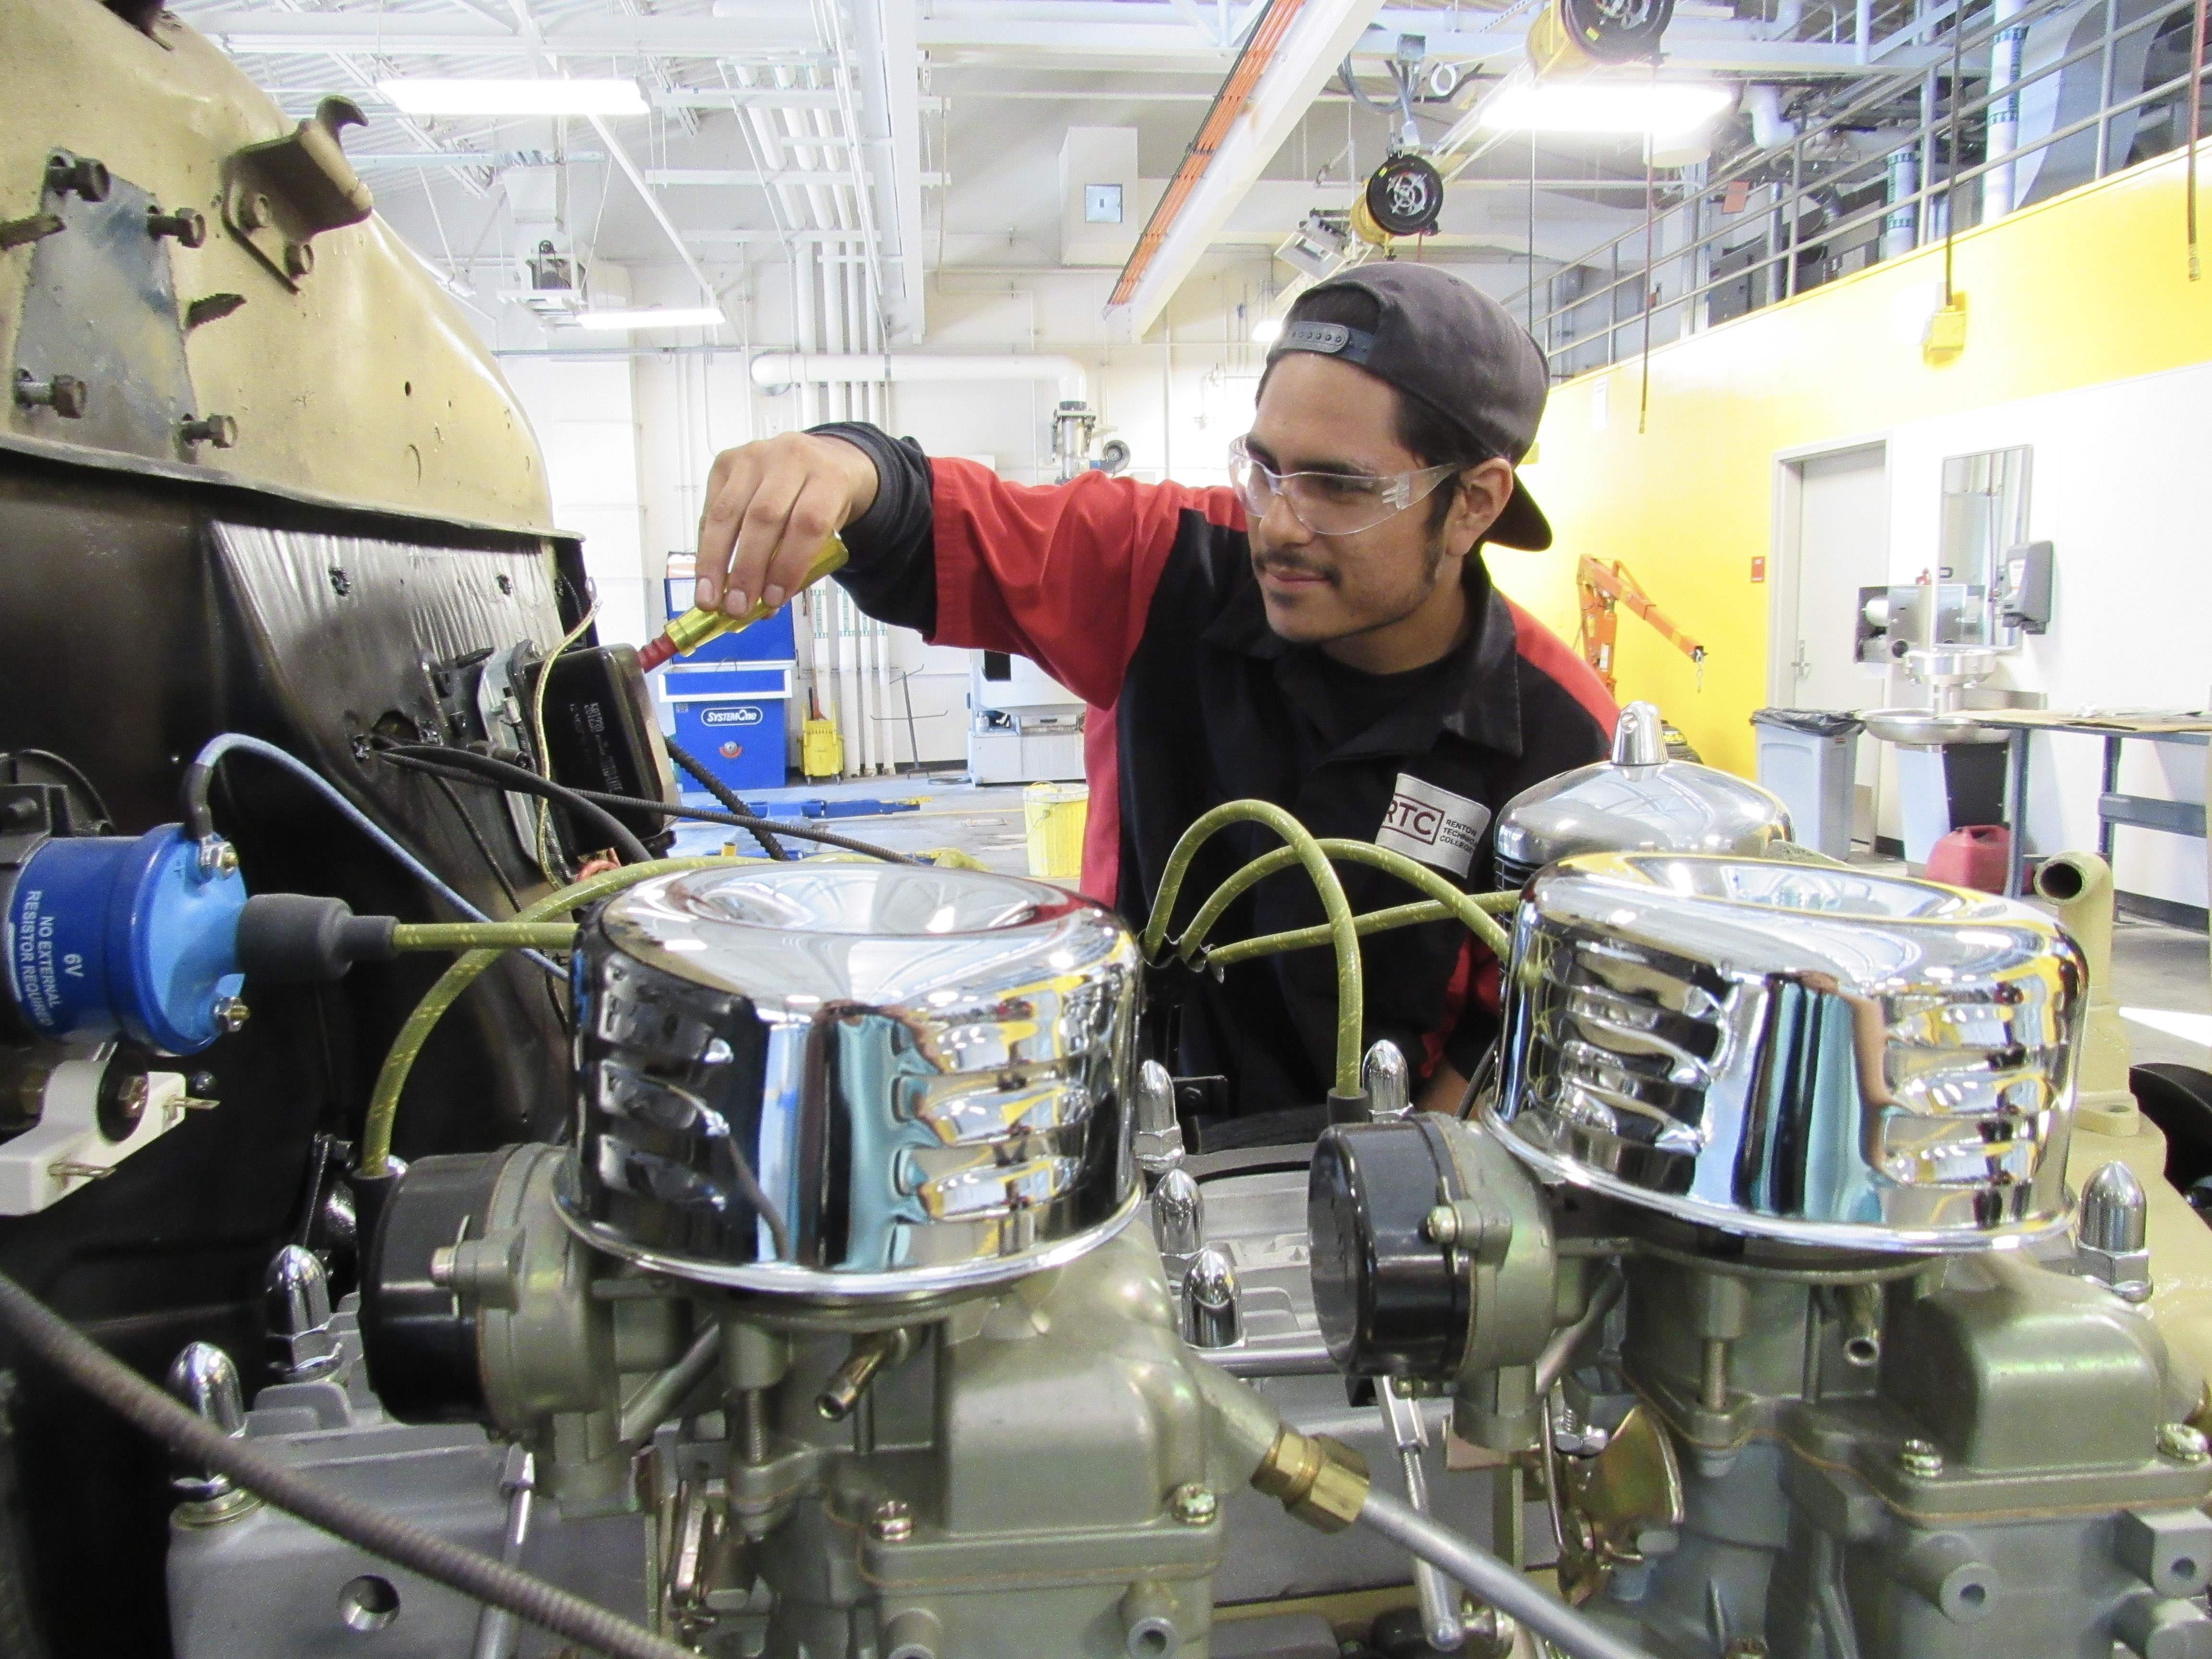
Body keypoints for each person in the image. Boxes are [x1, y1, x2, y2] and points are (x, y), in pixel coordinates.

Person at [691, 263, 1614, 1142]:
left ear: (1474, 503)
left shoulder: (1562, 741)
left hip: (1380, 1179)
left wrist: (1407, 1186)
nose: (1281, 525)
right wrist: (849, 469)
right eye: (1266, 469)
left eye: (1339, 486)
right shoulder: (1168, 566)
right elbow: (953, 523)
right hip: (1128, 1121)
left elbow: (1519, 1019)